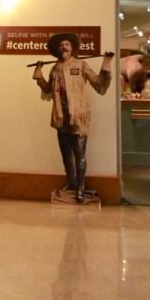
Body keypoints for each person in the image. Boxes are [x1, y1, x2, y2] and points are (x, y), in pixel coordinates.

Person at [33, 32, 114, 204]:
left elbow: (99, 84)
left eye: (67, 44)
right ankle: (72, 184)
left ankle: (80, 188)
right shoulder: (55, 68)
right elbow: (47, 90)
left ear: (72, 48)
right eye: (61, 45)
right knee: (66, 154)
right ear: (57, 49)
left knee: (79, 154)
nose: (64, 47)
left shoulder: (81, 64)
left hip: (78, 116)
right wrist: (38, 73)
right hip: (60, 116)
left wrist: (106, 63)